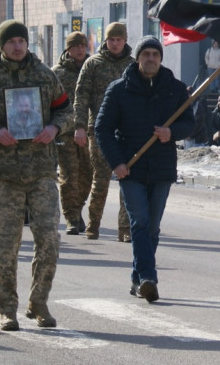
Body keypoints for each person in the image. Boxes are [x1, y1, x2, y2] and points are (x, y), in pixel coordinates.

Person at [0, 21, 72, 331]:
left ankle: (39, 302)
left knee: (49, 240)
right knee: (6, 246)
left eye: (22, 40)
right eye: (12, 42)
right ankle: (7, 308)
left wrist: (55, 127)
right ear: (2, 45)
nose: (18, 46)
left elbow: (66, 110)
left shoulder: (44, 75)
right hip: (5, 174)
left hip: (42, 172)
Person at [94, 35, 194, 302]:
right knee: (139, 222)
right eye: (146, 54)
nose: (151, 59)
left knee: (152, 228)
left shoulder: (175, 88)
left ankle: (138, 278)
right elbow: (102, 129)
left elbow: (190, 123)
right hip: (131, 168)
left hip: (161, 168)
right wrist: (117, 162)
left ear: (161, 59)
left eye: (155, 54)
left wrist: (171, 132)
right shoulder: (119, 89)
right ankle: (149, 277)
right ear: (137, 58)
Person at [74, 22, 134, 242]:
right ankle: (94, 224)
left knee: (127, 180)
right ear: (106, 41)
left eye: (119, 39)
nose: (115, 44)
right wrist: (79, 126)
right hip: (99, 130)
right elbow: (81, 97)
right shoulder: (93, 64)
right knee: (100, 180)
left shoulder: (133, 66)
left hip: (127, 132)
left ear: (125, 40)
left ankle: (124, 228)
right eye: (111, 40)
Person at [51, 31, 92, 234]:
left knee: (87, 174)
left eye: (83, 46)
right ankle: (72, 218)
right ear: (68, 49)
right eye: (75, 46)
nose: (80, 49)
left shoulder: (92, 69)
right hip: (64, 132)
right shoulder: (56, 73)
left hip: (88, 130)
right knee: (69, 174)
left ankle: (77, 207)